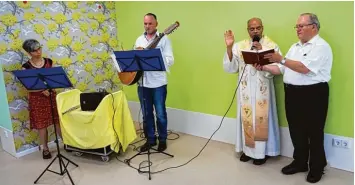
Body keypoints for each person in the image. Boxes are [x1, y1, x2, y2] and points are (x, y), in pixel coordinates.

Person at [260, 13, 332, 183]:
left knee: (314, 132)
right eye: (297, 26)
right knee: (296, 130)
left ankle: (317, 166)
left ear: (314, 27)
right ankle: (300, 162)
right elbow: (281, 69)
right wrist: (263, 66)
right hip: (292, 93)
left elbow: (303, 68)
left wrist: (282, 59)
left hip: (313, 93)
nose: (298, 29)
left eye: (301, 26)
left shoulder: (321, 46)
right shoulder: (295, 47)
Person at [222, 18, 281, 165]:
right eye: (251, 29)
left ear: (262, 28)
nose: (255, 31)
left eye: (258, 28)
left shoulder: (271, 45)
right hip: (246, 90)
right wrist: (229, 48)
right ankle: (248, 151)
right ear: (247, 30)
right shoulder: (240, 45)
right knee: (247, 119)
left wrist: (261, 51)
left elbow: (278, 68)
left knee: (261, 120)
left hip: (263, 90)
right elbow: (231, 67)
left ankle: (262, 153)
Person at [135, 13, 174, 152]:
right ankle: (150, 140)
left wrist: (155, 55)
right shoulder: (139, 39)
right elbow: (135, 61)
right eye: (145, 23)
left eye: (150, 23)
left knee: (160, 113)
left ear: (156, 24)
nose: (147, 26)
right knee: (146, 114)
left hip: (158, 83)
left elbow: (170, 60)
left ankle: (162, 139)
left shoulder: (164, 39)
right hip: (142, 83)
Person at [22, 39, 62, 159]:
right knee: (41, 124)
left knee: (57, 121)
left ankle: (67, 143)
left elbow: (54, 79)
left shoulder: (49, 62)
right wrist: (40, 90)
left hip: (51, 96)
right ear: (29, 53)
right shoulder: (26, 67)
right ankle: (45, 148)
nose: (39, 52)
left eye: (39, 48)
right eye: (35, 51)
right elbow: (27, 87)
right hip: (37, 99)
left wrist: (51, 88)